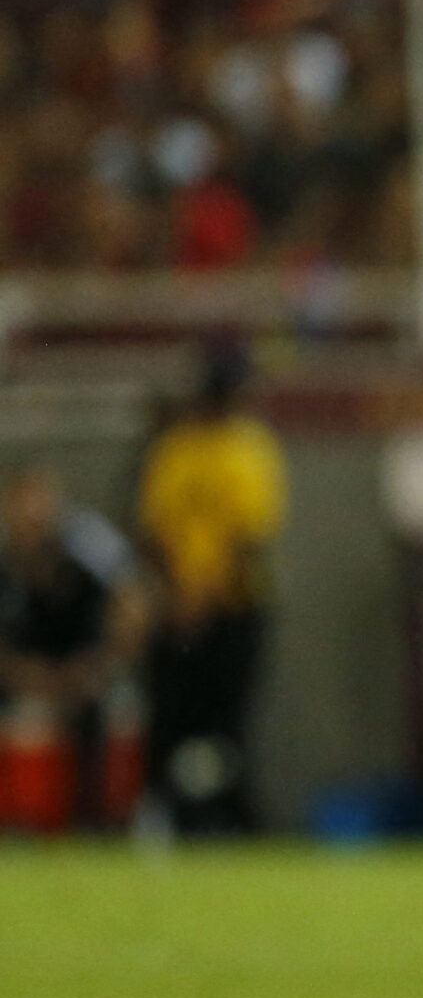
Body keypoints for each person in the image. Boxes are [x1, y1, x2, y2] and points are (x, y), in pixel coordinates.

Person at [134, 341, 288, 834]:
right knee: (172, 721)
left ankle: (225, 818)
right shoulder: (179, 446)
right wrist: (180, 595)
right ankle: (168, 817)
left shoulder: (249, 447)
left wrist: (203, 595)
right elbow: (155, 533)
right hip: (179, 607)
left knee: (228, 725)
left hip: (232, 607)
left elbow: (249, 536)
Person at [0, 467, 149, 830]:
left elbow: (133, 602)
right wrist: (22, 675)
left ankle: (96, 818)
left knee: (104, 714)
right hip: (23, 673)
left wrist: (101, 666)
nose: (32, 517)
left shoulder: (87, 543)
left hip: (87, 671)